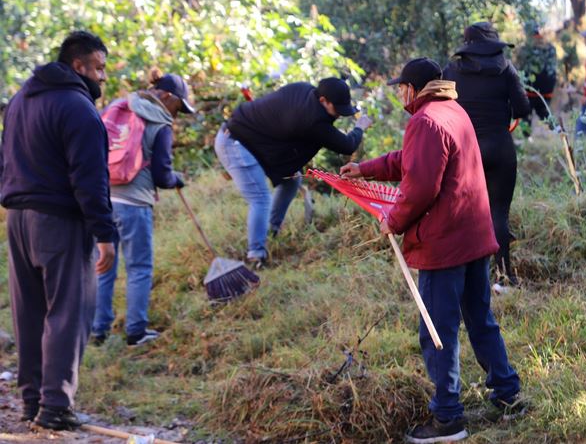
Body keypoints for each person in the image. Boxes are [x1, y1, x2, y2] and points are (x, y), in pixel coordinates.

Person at [340, 58, 522, 444]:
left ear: (414, 87)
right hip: (473, 236)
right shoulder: (453, 111)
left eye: (400, 87)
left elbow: (421, 186)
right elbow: (413, 161)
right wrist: (366, 169)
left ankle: (448, 418)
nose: (399, 94)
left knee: (438, 331)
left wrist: (394, 220)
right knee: (480, 318)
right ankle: (508, 394)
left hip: (445, 244)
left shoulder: (425, 121)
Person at [0, 31, 118, 430]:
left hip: (18, 220)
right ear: (78, 66)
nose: (103, 77)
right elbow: (90, 180)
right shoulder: (79, 108)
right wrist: (105, 234)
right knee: (69, 312)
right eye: (99, 68)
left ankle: (32, 402)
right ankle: (54, 407)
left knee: (29, 314)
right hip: (60, 222)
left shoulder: (20, 100)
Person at [215, 77, 371, 268]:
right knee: (260, 199)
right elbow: (347, 145)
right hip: (235, 143)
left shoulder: (303, 89)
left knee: (291, 180)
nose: (339, 114)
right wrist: (359, 127)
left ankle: (271, 231)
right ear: (323, 100)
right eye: (336, 109)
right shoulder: (313, 121)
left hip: (254, 141)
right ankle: (256, 256)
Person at [92, 70, 193, 347]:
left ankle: (98, 330)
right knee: (138, 267)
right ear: (168, 96)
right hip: (134, 204)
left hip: (103, 199)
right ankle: (136, 331)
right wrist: (176, 179)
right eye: (179, 107)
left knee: (104, 264)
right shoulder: (160, 121)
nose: (177, 114)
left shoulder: (120, 106)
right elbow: (162, 175)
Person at [443, 22, 530, 289]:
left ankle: (465, 278)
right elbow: (523, 109)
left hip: (465, 151)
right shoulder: (506, 69)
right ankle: (504, 276)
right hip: (500, 147)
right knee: (498, 213)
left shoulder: (450, 71)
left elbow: (439, 110)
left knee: (463, 214)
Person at [516, 20, 558, 130]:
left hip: (530, 87)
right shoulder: (550, 47)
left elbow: (520, 67)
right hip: (547, 87)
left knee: (526, 114)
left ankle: (526, 136)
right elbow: (553, 68)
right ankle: (559, 132)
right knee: (544, 112)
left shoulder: (525, 49)